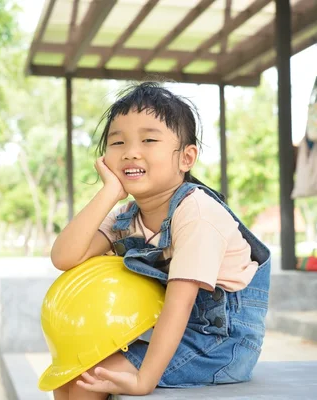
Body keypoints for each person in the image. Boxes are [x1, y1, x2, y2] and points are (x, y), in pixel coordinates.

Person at [49, 81, 271, 399]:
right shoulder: (127, 216)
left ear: (186, 158)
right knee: (68, 375)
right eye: (117, 142)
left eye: (149, 139)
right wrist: (109, 192)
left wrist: (144, 380)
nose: (131, 152)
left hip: (221, 344)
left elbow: (179, 305)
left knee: (89, 377)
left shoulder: (197, 214)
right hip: (169, 330)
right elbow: (65, 258)